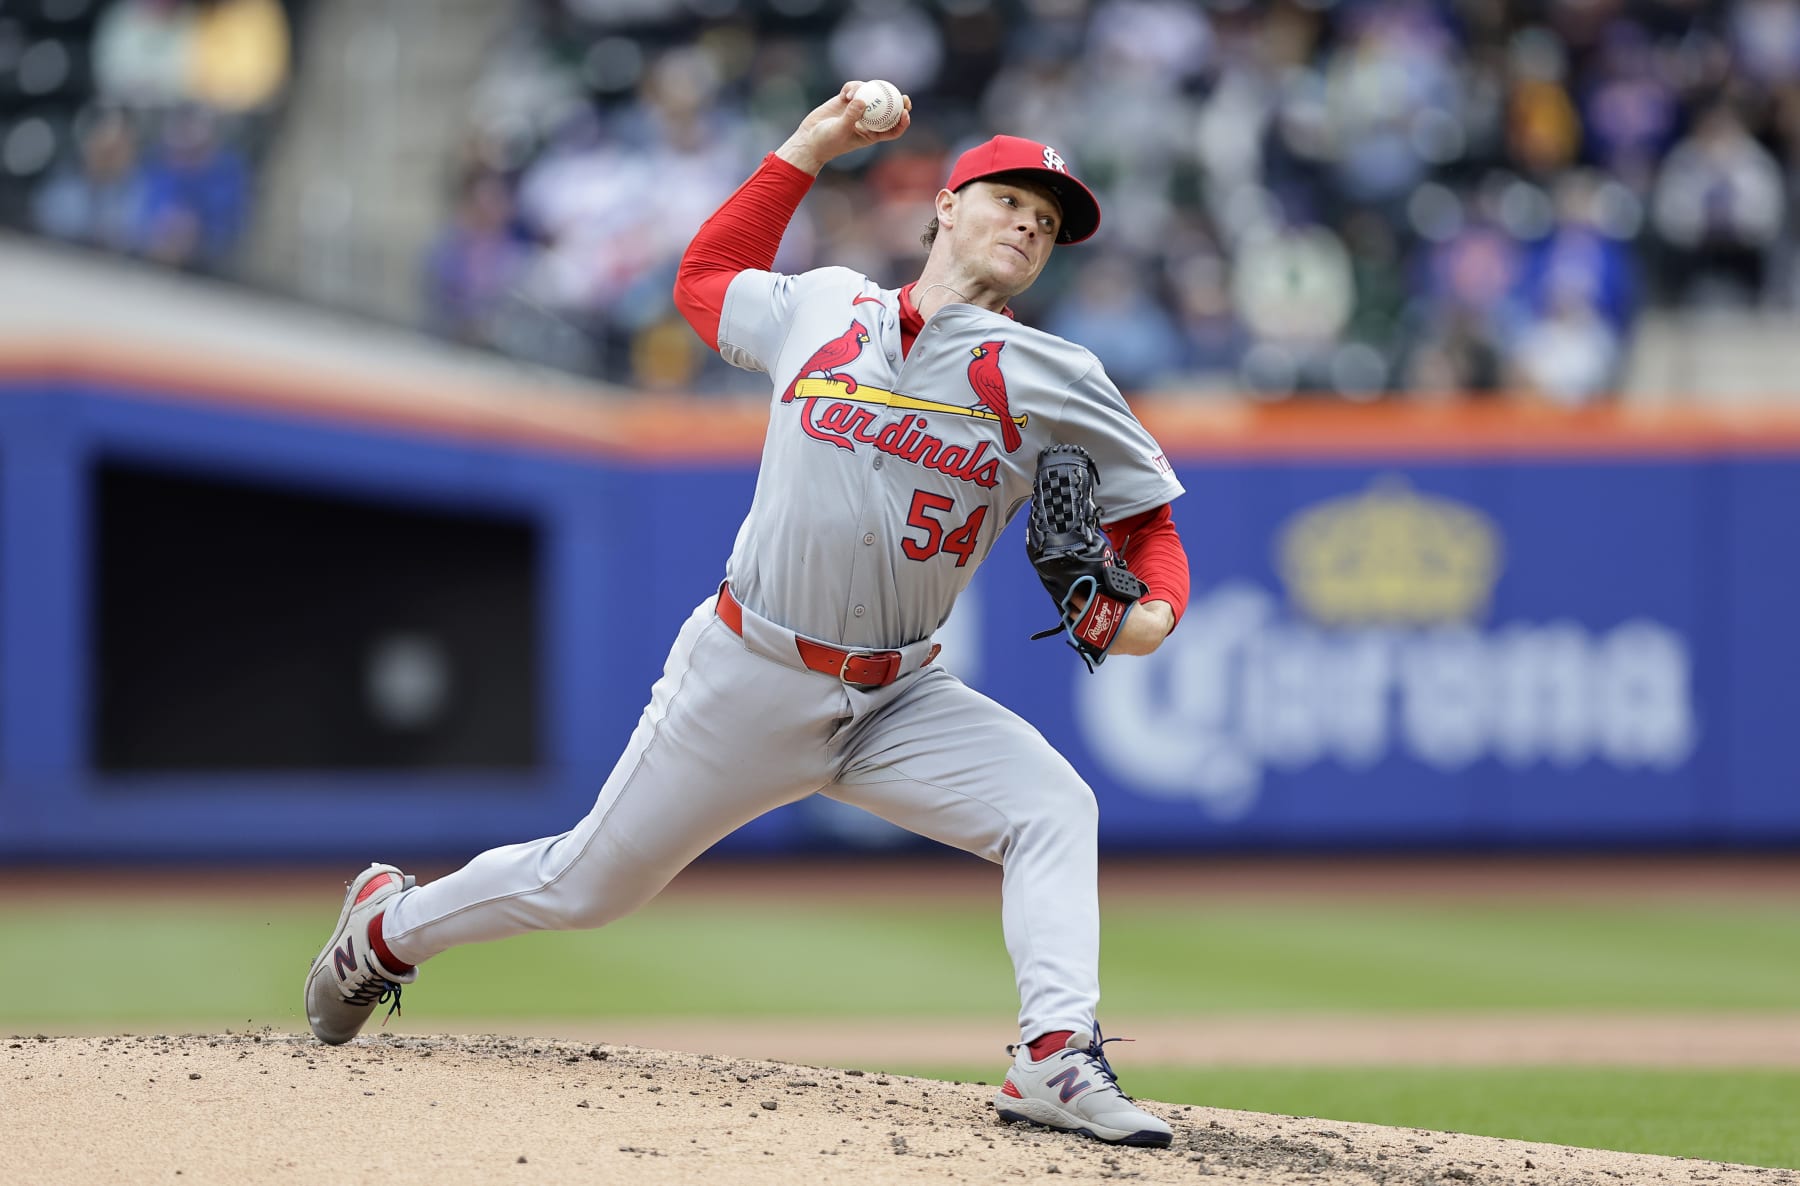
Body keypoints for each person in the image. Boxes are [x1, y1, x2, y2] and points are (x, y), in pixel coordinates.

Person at [304, 82, 1191, 1150]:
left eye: (1048, 225)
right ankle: (387, 928)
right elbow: (704, 278)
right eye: (1011, 200)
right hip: (750, 669)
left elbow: (1151, 530)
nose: (1029, 228)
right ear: (945, 206)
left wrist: (1146, 622)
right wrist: (814, 142)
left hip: (900, 693)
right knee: (587, 884)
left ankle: (1052, 1053)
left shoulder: (1058, 375)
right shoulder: (824, 306)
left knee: (1055, 806)